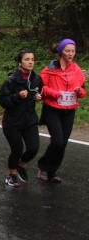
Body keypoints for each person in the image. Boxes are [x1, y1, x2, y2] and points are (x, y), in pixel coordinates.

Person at [37, 39, 87, 183]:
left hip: (69, 110)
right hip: (52, 109)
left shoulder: (77, 70)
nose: (70, 54)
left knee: (63, 143)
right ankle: (44, 167)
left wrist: (79, 91)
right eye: (67, 51)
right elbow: (41, 88)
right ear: (60, 52)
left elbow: (83, 91)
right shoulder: (50, 69)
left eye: (73, 51)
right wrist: (55, 93)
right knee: (57, 141)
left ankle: (52, 171)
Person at [0, 49, 43, 188]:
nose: (30, 62)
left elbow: (37, 92)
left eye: (32, 59)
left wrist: (38, 97)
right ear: (20, 62)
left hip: (29, 120)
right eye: (27, 59)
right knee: (17, 150)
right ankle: (11, 175)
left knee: (33, 149)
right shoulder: (11, 80)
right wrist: (17, 96)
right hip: (12, 122)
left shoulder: (36, 79)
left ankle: (20, 166)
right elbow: (2, 100)